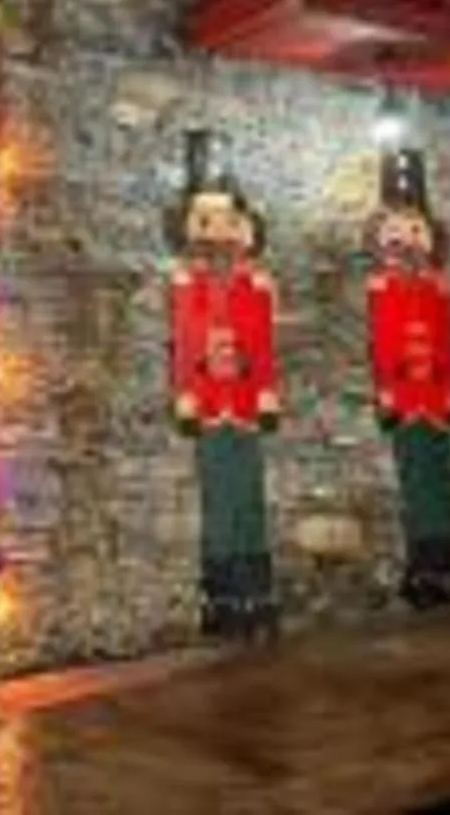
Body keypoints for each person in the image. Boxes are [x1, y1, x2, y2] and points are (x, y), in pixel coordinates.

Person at [167, 132, 281, 640]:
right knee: (219, 497)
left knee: (250, 494)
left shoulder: (252, 287)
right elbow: (186, 340)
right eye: (207, 222)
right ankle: (224, 599)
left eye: (228, 223)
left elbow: (261, 341)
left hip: (245, 401)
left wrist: (266, 391)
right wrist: (186, 394)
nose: (220, 236)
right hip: (211, 399)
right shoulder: (187, 285)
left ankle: (256, 595)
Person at [364, 151, 450, 609]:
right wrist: (388, 392)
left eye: (416, 230)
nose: (408, 240)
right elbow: (384, 342)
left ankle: (449, 569)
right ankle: (425, 569)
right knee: (415, 479)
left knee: (441, 478)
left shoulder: (439, 288)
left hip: (434, 394)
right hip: (406, 395)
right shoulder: (382, 288)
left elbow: (447, 343)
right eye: (398, 231)